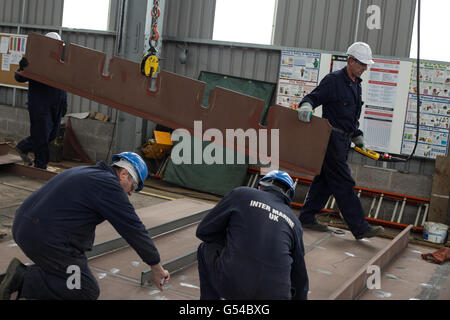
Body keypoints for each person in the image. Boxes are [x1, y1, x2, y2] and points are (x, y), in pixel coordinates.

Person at [0, 152, 170, 300]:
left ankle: (34, 275)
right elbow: (133, 228)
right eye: (133, 186)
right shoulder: (109, 186)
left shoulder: (90, 172)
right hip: (44, 237)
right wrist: (156, 266)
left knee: (74, 270)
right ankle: (22, 278)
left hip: (26, 226)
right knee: (84, 289)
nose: (131, 193)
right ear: (124, 174)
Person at [297, 41, 384, 240]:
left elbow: (349, 116)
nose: (365, 68)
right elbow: (313, 97)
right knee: (344, 182)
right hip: (330, 139)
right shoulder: (334, 80)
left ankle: (307, 217)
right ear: (351, 60)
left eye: (366, 64)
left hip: (343, 141)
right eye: (362, 64)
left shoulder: (356, 85)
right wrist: (306, 106)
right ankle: (360, 227)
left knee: (325, 182)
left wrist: (356, 134)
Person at [196, 170, 309, 300]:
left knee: (205, 249)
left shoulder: (242, 194)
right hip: (276, 296)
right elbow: (300, 275)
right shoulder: (294, 221)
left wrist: (231, 243)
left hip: (233, 286)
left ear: (260, 186)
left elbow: (204, 231)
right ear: (288, 197)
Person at [14, 32, 68, 170]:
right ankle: (40, 166)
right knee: (42, 137)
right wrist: (22, 67)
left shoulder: (61, 63)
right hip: (40, 105)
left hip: (56, 106)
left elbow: (64, 86)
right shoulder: (35, 60)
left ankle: (23, 147)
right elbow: (19, 78)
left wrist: (64, 104)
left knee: (51, 135)